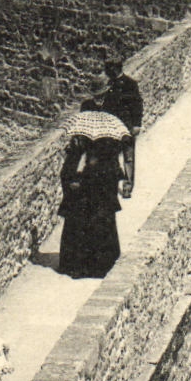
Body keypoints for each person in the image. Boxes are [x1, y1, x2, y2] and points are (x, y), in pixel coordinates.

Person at [58, 101, 132, 279]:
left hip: (97, 195)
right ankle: (88, 265)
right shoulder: (80, 143)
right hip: (89, 195)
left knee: (93, 227)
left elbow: (110, 169)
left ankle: (90, 266)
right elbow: (68, 170)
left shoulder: (104, 146)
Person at [94, 58, 143, 189]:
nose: (106, 72)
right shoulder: (108, 84)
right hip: (112, 126)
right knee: (112, 156)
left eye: (108, 69)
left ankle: (127, 185)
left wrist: (137, 124)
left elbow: (137, 104)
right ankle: (113, 185)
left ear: (115, 69)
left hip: (126, 125)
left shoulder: (130, 84)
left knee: (128, 157)